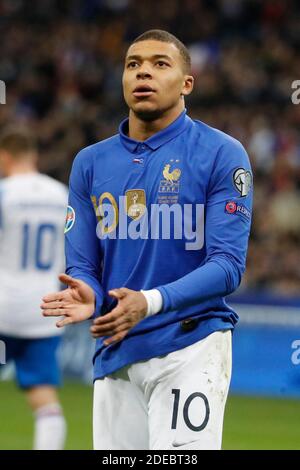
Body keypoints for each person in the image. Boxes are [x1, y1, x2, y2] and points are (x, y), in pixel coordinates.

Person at [41, 29, 253, 450]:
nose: (143, 73)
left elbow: (228, 267)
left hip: (190, 343)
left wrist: (150, 301)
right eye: (133, 64)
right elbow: (83, 263)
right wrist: (90, 292)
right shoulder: (90, 163)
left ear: (186, 83)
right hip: (116, 347)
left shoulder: (221, 154)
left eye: (160, 64)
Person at [0, 129, 68, 450]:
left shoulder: (4, 193)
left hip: (3, 309)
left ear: (5, 156)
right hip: (44, 311)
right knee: (45, 400)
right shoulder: (63, 195)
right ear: (35, 157)